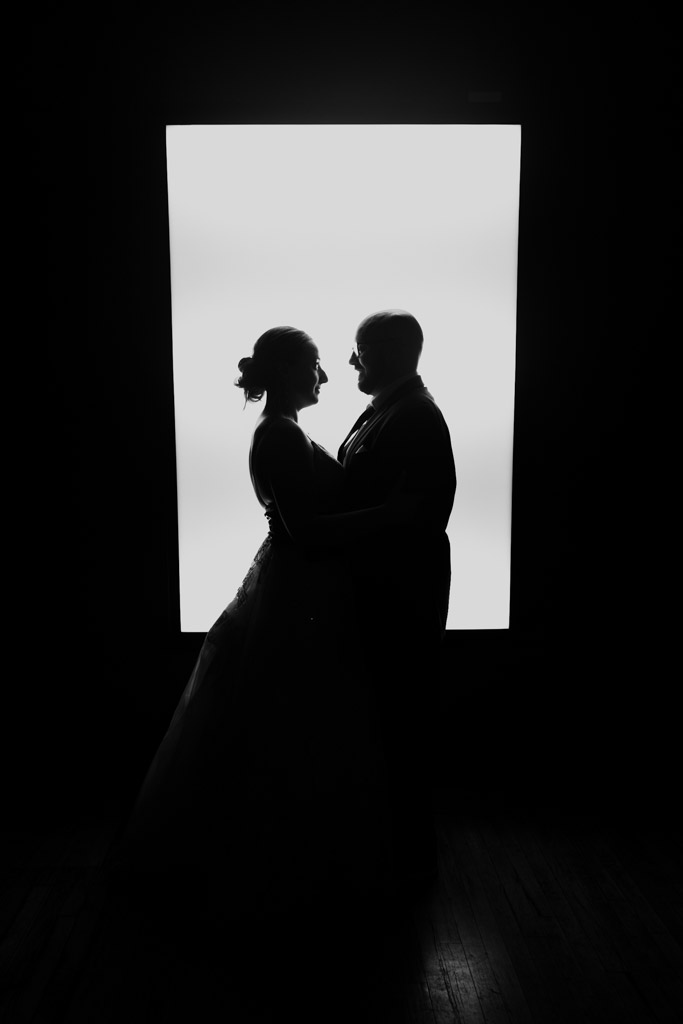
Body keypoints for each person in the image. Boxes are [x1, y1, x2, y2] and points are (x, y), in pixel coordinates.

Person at [107, 325, 415, 927]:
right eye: (314, 365)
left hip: (301, 585)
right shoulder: (279, 435)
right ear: (286, 370)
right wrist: (392, 514)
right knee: (291, 721)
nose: (324, 376)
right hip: (299, 588)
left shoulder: (282, 429)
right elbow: (306, 532)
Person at [338, 309, 457, 892]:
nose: (351, 361)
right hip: (385, 589)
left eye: (359, 350)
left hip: (399, 595)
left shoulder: (414, 416)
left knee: (401, 720)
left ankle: (408, 859)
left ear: (386, 353)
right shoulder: (392, 408)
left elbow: (417, 516)